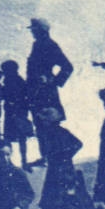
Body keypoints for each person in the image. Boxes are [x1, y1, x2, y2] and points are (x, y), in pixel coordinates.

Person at [27, 18, 75, 165]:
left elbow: (68, 66)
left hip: (46, 93)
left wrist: (53, 81)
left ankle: (54, 156)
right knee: (40, 125)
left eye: (34, 30)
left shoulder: (50, 45)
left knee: (50, 124)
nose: (32, 33)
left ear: (42, 31)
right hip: (36, 92)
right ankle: (47, 157)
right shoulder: (38, 44)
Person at [0, 59, 35, 169]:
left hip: (12, 113)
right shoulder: (19, 80)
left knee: (8, 138)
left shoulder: (10, 81)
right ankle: (23, 161)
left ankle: (8, 162)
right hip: (21, 112)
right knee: (21, 139)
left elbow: (5, 96)